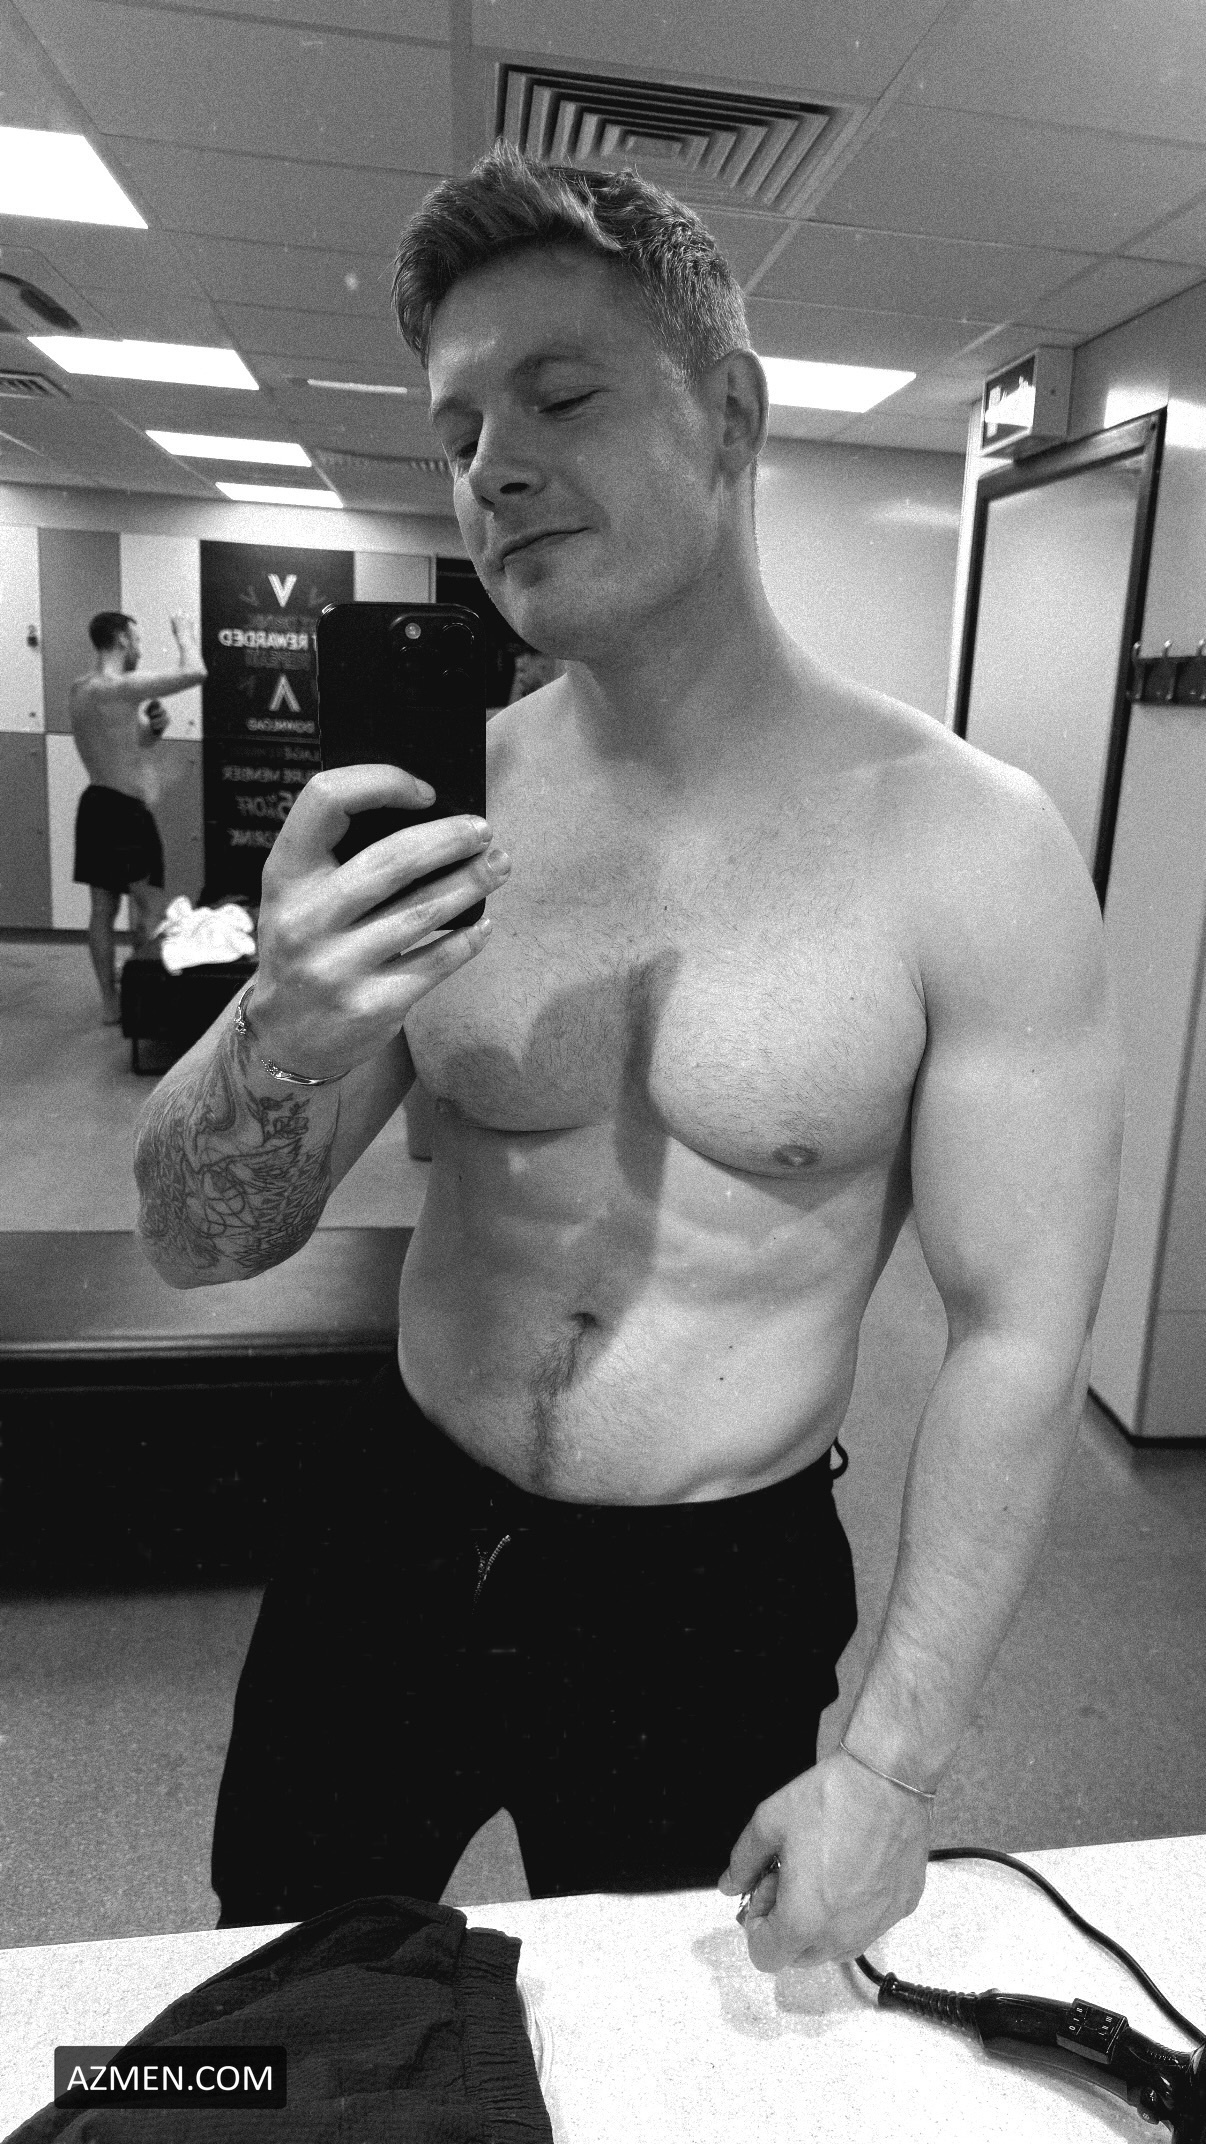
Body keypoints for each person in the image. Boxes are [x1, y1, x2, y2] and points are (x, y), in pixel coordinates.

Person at [133, 146, 1123, 1972]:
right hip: (396, 1520)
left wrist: (890, 1767)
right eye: (456, 431)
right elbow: (198, 1245)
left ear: (728, 414)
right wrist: (277, 1026)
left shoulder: (968, 847)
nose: (491, 467)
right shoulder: (436, 821)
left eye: (560, 396)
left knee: (677, 2053)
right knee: (275, 2006)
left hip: (708, 1590)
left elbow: (1017, 1331)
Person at [70, 610, 206, 1022]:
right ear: (122, 640)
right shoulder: (118, 687)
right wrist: (184, 633)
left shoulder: (81, 690)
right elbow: (195, 672)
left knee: (102, 908)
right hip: (125, 813)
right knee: (148, 906)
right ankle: (143, 1001)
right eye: (138, 640)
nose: (140, 650)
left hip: (96, 805)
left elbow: (123, 745)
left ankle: (111, 1004)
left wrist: (152, 730)